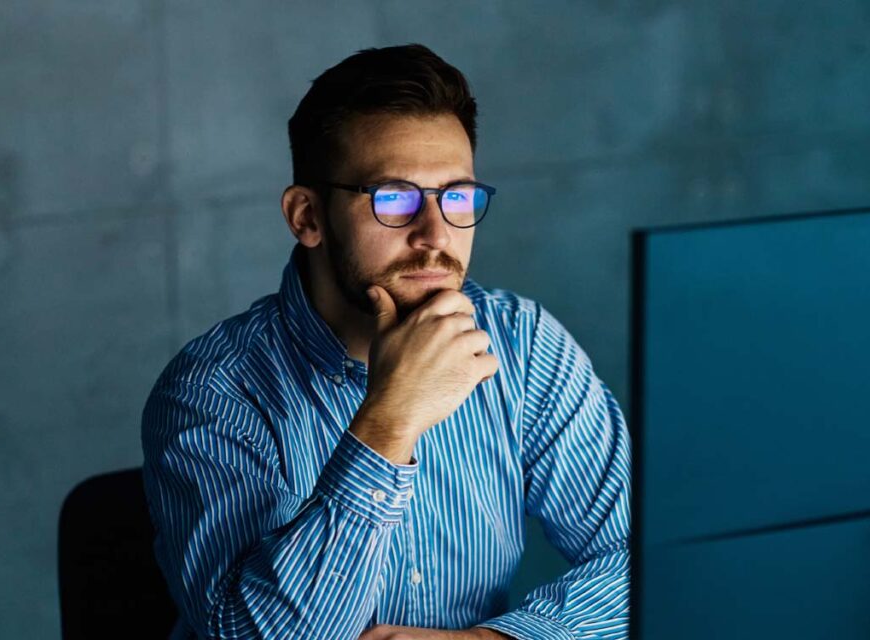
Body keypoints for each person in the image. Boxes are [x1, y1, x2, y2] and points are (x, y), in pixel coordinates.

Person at [142, 43, 631, 640]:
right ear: (307, 217)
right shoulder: (212, 390)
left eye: (457, 197)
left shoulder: (522, 343)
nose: (435, 235)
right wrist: (389, 421)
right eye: (393, 198)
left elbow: (643, 558)